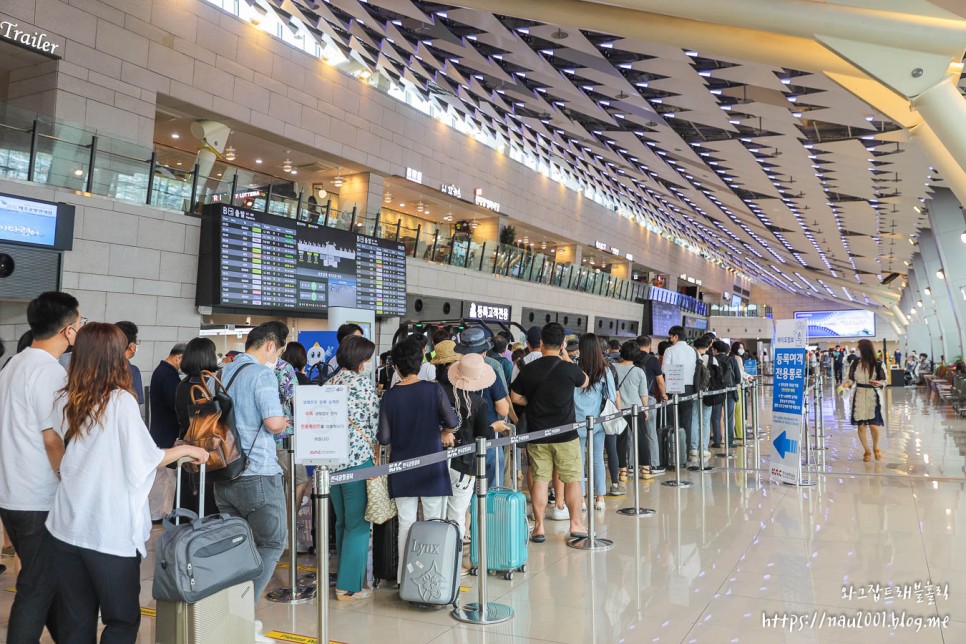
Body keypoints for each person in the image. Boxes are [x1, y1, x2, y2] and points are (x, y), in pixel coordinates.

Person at [47, 322, 209, 643]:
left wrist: (67, 474)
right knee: (121, 619)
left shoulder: (64, 399)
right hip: (109, 532)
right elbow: (145, 457)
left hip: (66, 527)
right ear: (114, 356)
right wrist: (188, 449)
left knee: (76, 622)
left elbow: (55, 447)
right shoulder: (119, 401)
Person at [0, 291, 80, 641]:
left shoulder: (13, 365)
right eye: (81, 323)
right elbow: (53, 441)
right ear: (67, 329)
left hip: (13, 494)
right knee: (37, 587)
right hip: (38, 498)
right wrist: (71, 486)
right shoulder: (49, 373)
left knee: (44, 582)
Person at [212, 321, 289, 639]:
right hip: (257, 473)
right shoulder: (262, 374)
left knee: (237, 548)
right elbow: (273, 423)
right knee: (272, 542)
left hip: (223, 473)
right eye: (280, 350)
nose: (277, 357)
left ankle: (227, 617)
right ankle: (240, 618)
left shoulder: (222, 372)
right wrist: (285, 419)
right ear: (271, 345)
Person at [379, 335, 458, 581]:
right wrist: (444, 432)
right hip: (431, 466)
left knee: (406, 522)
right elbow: (452, 422)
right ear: (419, 363)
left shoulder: (390, 396)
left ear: (397, 367)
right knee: (434, 519)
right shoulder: (433, 389)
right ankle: (432, 575)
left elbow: (383, 438)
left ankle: (405, 577)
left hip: (402, 467)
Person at [510, 322, 589, 543]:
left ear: (541, 343)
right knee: (572, 479)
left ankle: (539, 527)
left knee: (540, 480)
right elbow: (585, 381)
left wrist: (531, 402)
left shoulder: (529, 369)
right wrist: (565, 356)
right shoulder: (568, 368)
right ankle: (576, 524)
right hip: (566, 435)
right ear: (562, 344)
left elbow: (514, 397)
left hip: (538, 434)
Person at [326, 335, 379, 600]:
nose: (368, 364)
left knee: (343, 522)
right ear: (360, 361)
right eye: (368, 359)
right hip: (358, 463)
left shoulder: (329, 383)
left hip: (332, 465)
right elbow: (376, 425)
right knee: (358, 524)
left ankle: (346, 579)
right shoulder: (363, 386)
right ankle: (348, 587)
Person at [438, 352, 500, 566]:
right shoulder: (478, 403)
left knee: (437, 512)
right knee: (456, 513)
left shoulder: (440, 394)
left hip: (436, 460)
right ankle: (452, 565)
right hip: (464, 464)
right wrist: (495, 427)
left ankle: (436, 557)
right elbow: (483, 436)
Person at [454, 328, 512, 487]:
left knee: (464, 488)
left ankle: (469, 512)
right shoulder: (490, 372)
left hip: (460, 437)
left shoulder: (452, 373)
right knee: (491, 484)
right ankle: (488, 512)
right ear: (484, 352)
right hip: (488, 433)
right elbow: (503, 410)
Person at [174, 337, 220, 516]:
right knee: (208, 505)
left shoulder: (182, 385)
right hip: (210, 451)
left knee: (189, 503)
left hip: (187, 448)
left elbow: (181, 418)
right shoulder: (210, 385)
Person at [148, 343, 186, 523]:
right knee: (165, 477)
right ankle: (160, 514)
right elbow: (175, 404)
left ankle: (156, 513)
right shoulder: (169, 375)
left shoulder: (160, 371)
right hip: (167, 433)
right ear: (179, 358)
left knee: (161, 476)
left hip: (159, 431)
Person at [612, 341, 648, 492]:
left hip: (618, 410)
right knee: (641, 437)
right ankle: (645, 469)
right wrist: (645, 409)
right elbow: (643, 393)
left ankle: (623, 471)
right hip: (635, 409)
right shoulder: (639, 371)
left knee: (620, 441)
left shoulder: (613, 368)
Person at [843, 339, 886, 462]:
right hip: (859, 395)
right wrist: (846, 383)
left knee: (874, 425)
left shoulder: (878, 363)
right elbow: (850, 378)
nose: (857, 350)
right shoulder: (855, 363)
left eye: (859, 348)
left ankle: (876, 448)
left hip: (873, 395)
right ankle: (866, 451)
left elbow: (884, 380)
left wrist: (879, 382)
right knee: (861, 426)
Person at [662, 326, 698, 458]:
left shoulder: (669, 350)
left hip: (674, 387)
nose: (669, 339)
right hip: (690, 388)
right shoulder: (693, 350)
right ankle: (686, 451)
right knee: (687, 422)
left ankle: (674, 452)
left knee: (674, 422)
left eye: (670, 336)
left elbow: (665, 370)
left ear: (675, 336)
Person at [634, 335, 665, 478]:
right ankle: (654, 464)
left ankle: (631, 465)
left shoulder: (630, 357)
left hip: (632, 400)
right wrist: (664, 395)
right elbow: (660, 381)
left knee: (632, 432)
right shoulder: (652, 360)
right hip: (649, 398)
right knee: (651, 432)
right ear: (649, 345)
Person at [692, 335, 716, 465]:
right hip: (708, 393)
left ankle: (693, 447)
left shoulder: (692, 358)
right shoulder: (712, 359)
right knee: (705, 421)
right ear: (707, 347)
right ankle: (704, 448)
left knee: (694, 418)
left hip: (694, 392)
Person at [715, 341, 740, 449]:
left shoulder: (713, 359)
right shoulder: (732, 360)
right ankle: (729, 441)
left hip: (715, 392)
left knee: (716, 417)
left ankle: (717, 441)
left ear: (715, 350)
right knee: (729, 417)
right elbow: (738, 378)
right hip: (730, 390)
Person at [115, 321, 144, 406]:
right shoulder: (133, 371)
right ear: (132, 346)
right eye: (136, 342)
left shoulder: (98, 367)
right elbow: (136, 404)